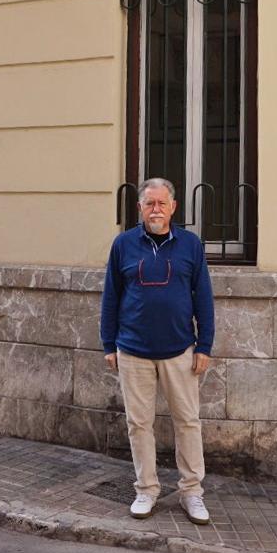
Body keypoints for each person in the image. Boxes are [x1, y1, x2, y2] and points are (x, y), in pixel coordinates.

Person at [100, 178, 215, 525]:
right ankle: (146, 490)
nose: (156, 210)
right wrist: (109, 343)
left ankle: (192, 492)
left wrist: (204, 344)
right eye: (149, 204)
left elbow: (203, 298)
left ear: (173, 207)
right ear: (139, 208)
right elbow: (111, 297)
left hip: (180, 350)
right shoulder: (123, 245)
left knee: (188, 423)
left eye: (162, 204)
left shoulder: (190, 246)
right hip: (133, 350)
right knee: (139, 424)